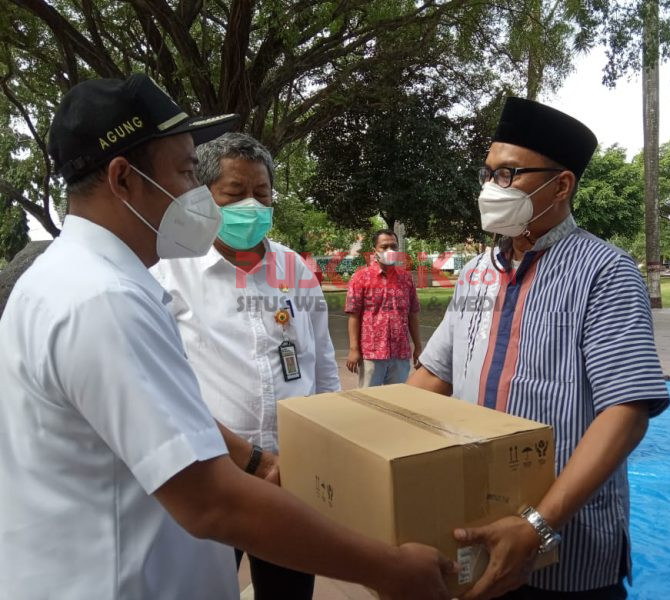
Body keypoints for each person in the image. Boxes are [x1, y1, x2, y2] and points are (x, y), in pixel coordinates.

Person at [0, 74, 453, 599]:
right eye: (188, 172)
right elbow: (213, 501)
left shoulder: (71, 279)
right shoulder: (104, 299)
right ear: (124, 179)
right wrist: (388, 568)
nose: (197, 194)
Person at [408, 97, 670, 599]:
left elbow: (628, 409)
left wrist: (536, 526)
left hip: (568, 547)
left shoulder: (605, 272)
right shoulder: (475, 274)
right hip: (476, 526)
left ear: (561, 185)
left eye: (508, 175)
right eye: (487, 173)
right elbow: (432, 377)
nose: (491, 188)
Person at [150, 131, 339, 599]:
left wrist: (327, 448)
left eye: (262, 193)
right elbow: (163, 391)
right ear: (205, 199)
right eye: (235, 194)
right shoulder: (169, 275)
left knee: (289, 588)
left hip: (291, 473)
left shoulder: (294, 269)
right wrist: (250, 460)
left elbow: (324, 366)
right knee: (207, 587)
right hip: (213, 473)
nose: (250, 206)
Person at [345, 229, 421, 387]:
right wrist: (353, 349)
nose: (389, 250)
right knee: (369, 403)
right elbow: (354, 316)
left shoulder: (406, 279)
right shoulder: (360, 277)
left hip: (400, 354)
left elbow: (412, 314)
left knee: (396, 402)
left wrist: (418, 348)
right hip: (371, 354)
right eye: (384, 247)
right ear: (374, 250)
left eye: (393, 246)